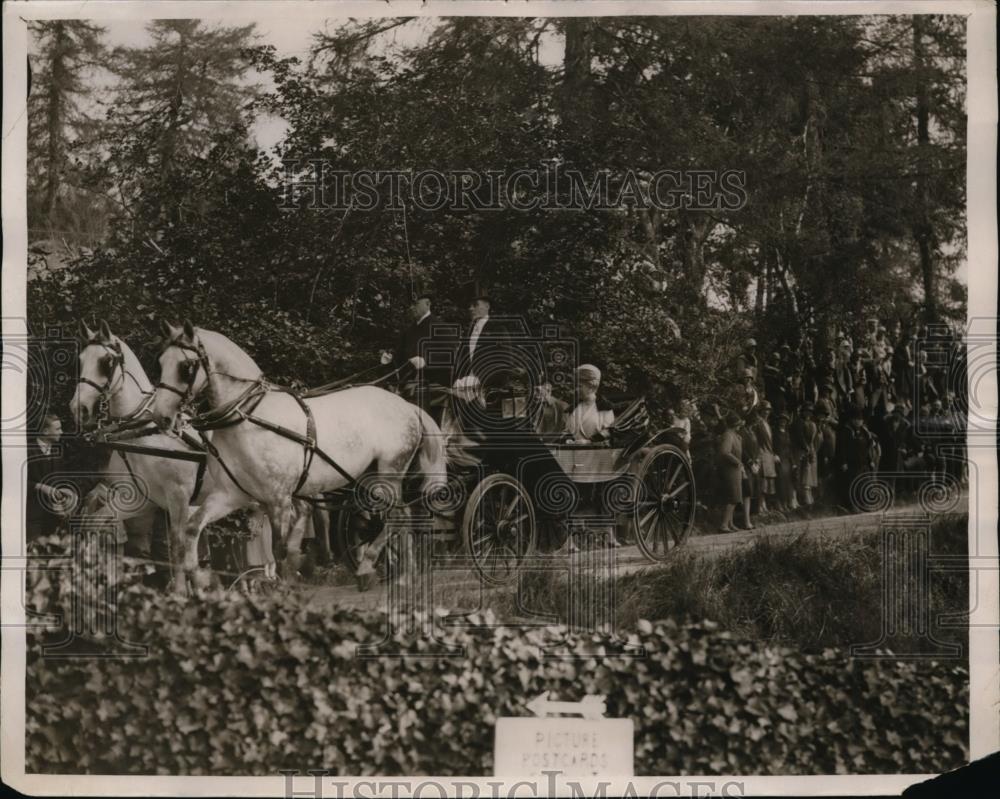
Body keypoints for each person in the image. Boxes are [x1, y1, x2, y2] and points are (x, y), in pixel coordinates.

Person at [392, 292, 453, 423]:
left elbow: (449, 355)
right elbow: (399, 357)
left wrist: (426, 362)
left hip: (433, 387)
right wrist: (390, 358)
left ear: (427, 304)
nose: (412, 308)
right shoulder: (408, 331)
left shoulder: (440, 327)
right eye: (411, 305)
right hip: (408, 386)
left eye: (416, 304)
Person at [26, 414, 73, 539]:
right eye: (57, 429)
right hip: (32, 517)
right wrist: (41, 487)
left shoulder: (57, 451)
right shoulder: (27, 451)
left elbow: (61, 480)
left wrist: (64, 502)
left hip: (53, 517)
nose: (61, 432)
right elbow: (16, 482)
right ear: (45, 431)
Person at [565, 364, 615, 443]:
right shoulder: (573, 409)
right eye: (575, 386)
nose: (576, 389)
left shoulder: (604, 408)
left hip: (596, 450)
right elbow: (567, 431)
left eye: (579, 386)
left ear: (591, 386)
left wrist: (589, 442)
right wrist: (567, 440)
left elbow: (609, 433)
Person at [716, 411, 743, 533]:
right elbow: (725, 452)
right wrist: (737, 461)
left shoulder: (734, 435)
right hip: (729, 469)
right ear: (735, 424)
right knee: (732, 497)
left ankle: (730, 524)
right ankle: (724, 525)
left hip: (735, 469)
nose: (740, 426)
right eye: (738, 424)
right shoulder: (728, 435)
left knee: (735, 497)